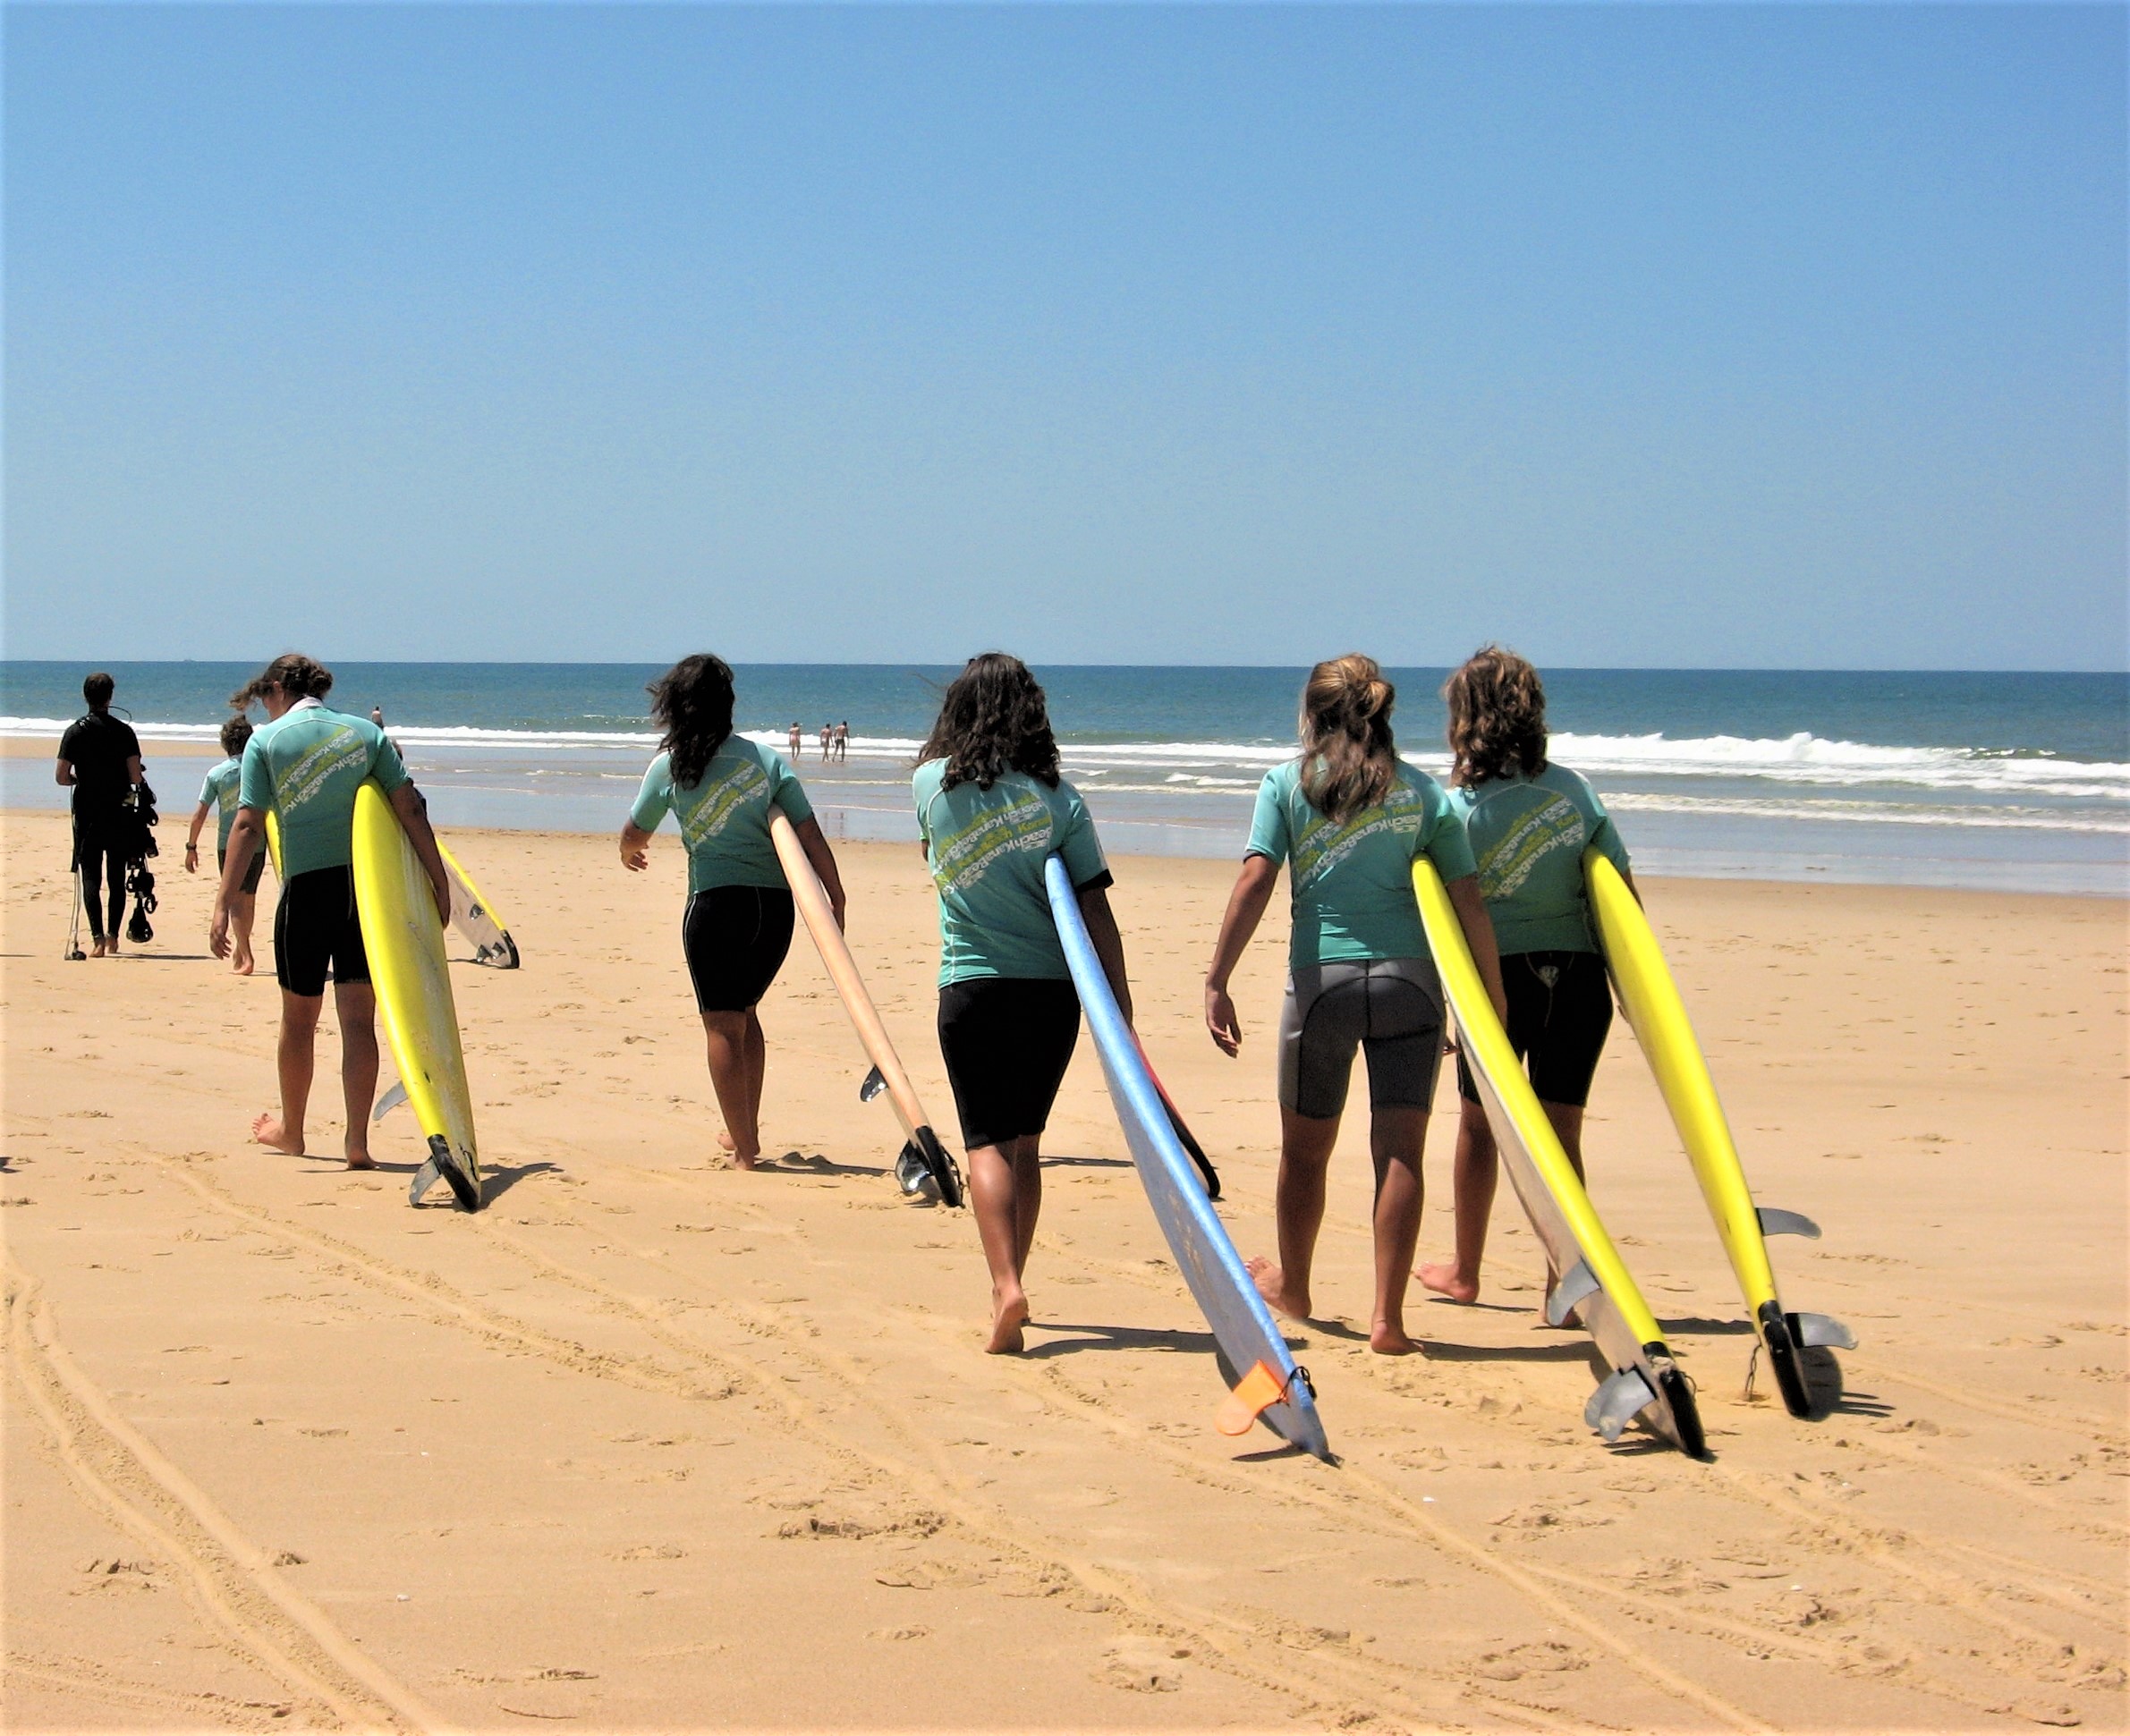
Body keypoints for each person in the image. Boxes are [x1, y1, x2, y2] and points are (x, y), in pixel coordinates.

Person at [1203, 655, 1506, 1356]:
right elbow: (1468, 903)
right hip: (1411, 988)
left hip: (1322, 988)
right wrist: (1489, 1002)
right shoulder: (1424, 794)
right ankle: (1386, 1319)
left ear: (1312, 713)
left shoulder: (1286, 784)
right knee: (1399, 1152)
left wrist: (1218, 978)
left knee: (1304, 1153)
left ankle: (1296, 1288)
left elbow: (1255, 880)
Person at [913, 653, 1132, 1354]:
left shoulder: (928, 787)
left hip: (970, 985)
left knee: (984, 1142)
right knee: (1026, 1142)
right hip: (1050, 994)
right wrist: (1120, 1007)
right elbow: (1094, 909)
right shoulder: (1059, 800)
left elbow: (931, 855)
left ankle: (1004, 1283)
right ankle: (1012, 1283)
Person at [1418, 648, 1635, 1306]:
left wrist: (1441, 1001)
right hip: (1579, 981)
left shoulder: (1451, 809)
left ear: (1465, 717)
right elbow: (1622, 899)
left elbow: (1442, 913)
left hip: (1495, 985)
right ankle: (1562, 1283)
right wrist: (1631, 994)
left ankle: (1465, 1270)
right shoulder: (1575, 792)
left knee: (1479, 1127)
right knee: (1562, 1135)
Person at [214, 654, 451, 1169]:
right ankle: (356, 1143)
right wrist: (438, 880)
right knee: (359, 1021)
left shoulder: (266, 741)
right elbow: (410, 806)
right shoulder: (365, 734)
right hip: (364, 895)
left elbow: (249, 825)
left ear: (278, 688)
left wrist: (223, 902)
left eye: (265, 696)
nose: (265, 706)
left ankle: (292, 1132)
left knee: (298, 1020)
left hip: (306, 892)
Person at [621, 656, 844, 1171]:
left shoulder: (672, 767)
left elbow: (635, 831)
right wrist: (835, 893)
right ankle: (745, 1127)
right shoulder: (765, 761)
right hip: (774, 910)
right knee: (745, 1013)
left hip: (715, 905)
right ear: (727, 705)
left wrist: (627, 852)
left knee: (722, 1025)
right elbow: (809, 833)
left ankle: (745, 1151)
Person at [55, 672, 146, 958]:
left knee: (91, 875)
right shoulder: (124, 732)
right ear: (110, 697)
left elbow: (61, 777)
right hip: (119, 811)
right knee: (116, 876)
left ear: (85, 696)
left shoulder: (75, 731)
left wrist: (80, 780)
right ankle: (113, 937)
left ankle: (96, 939)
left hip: (87, 811)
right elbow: (135, 777)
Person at [186, 714, 266, 974]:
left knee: (234, 899)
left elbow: (199, 815)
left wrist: (191, 847)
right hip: (257, 841)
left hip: (228, 844)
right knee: (249, 899)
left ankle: (246, 954)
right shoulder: (260, 771)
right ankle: (242, 950)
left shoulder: (217, 774)